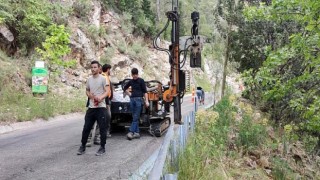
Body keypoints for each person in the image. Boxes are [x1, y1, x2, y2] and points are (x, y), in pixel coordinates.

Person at [77, 60, 109, 156]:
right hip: (91, 107)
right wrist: (90, 96)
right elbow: (87, 90)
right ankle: (82, 146)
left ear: (99, 68)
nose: (93, 69)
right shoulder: (89, 79)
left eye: (95, 67)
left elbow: (107, 91)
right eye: (92, 67)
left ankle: (102, 147)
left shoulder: (103, 79)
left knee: (102, 128)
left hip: (101, 107)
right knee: (86, 127)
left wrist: (101, 97)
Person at [123, 68, 149, 140]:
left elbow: (145, 92)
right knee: (134, 116)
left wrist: (146, 101)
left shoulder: (141, 81)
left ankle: (131, 132)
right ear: (132, 75)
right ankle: (137, 133)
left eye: (136, 75)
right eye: (133, 75)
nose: (135, 76)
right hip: (132, 100)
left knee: (136, 116)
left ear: (138, 74)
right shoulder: (131, 81)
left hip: (139, 100)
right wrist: (129, 94)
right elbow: (124, 88)